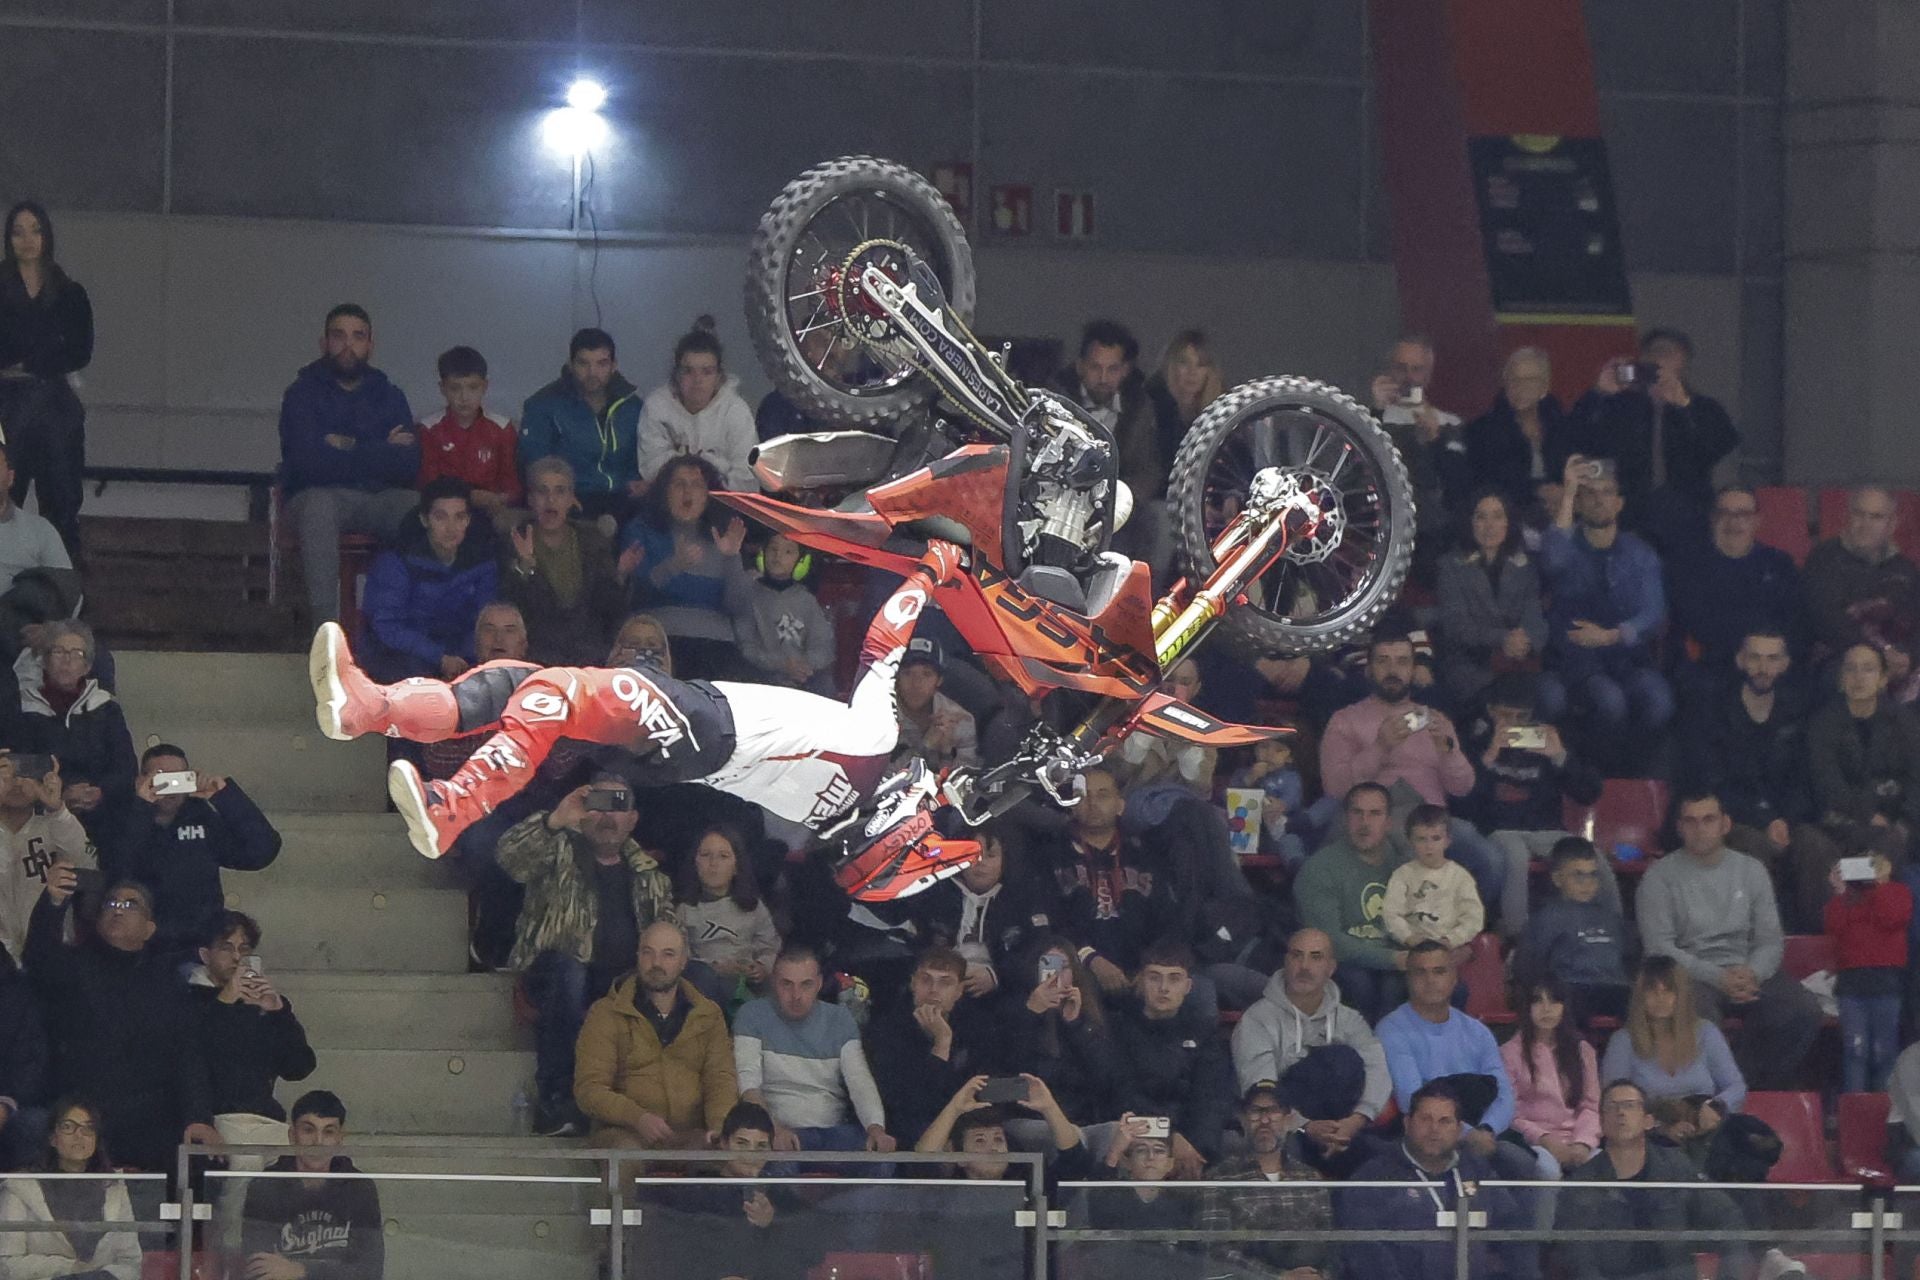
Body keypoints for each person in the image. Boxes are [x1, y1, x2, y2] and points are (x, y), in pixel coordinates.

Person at [313, 541, 978, 901]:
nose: (922, 792)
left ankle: (453, 805)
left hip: (706, 722)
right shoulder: (826, 820)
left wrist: (930, 573)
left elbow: (881, 648)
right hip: (698, 752)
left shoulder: (874, 740)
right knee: (526, 685)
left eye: (924, 810)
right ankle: (369, 707)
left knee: (551, 692)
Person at [496, 774, 676, 1136]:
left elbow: (668, 932)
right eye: (598, 805)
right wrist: (554, 820)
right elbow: (508, 860)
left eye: (618, 806)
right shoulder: (557, 849)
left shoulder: (650, 874)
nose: (608, 817)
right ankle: (557, 1099)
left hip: (625, 978)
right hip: (553, 970)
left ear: (633, 819)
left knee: (687, 978)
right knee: (570, 971)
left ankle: (661, 1104)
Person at [24, 873, 218, 1171]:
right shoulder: (74, 966)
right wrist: (53, 902)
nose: (118, 909)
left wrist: (198, 1117)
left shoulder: (166, 983)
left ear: (150, 928)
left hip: (148, 1115)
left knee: (195, 1156)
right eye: (111, 903)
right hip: (85, 1110)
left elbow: (187, 1055)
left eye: (131, 905)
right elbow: (39, 959)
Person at [1637, 790, 1824, 1086]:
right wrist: (1717, 976)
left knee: (1802, 1010)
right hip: (1690, 974)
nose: (1700, 829)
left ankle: (1747, 1087)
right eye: (1691, 821)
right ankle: (1711, 1092)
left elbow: (1770, 938)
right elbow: (1659, 948)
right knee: (1695, 1014)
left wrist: (1752, 972)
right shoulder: (1659, 877)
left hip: (1748, 969)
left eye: (1708, 820)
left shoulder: (1752, 870)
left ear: (1725, 824)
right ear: (1679, 828)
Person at [1318, 631, 1500, 904]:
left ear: (1414, 670)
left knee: (1490, 860)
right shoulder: (1345, 720)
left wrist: (1447, 752)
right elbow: (1335, 787)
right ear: (1369, 670)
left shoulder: (1435, 719)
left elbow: (1463, 787)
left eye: (1402, 662)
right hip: (1378, 820)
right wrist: (1380, 746)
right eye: (1384, 661)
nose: (1393, 670)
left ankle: (1462, 932)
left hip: (1432, 819)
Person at [278, 303, 419, 626]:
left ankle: (402, 630)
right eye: (338, 335)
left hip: (379, 498)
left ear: (370, 345)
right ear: (324, 343)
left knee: (418, 508)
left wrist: (346, 445)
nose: (348, 345)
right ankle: (325, 636)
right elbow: (308, 464)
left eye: (358, 336)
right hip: (317, 496)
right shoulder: (301, 394)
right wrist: (380, 448)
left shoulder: (389, 394)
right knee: (319, 507)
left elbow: (407, 464)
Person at [1337, 1081, 1536, 1280]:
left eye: (1444, 1121)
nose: (1434, 1129)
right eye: (1425, 1119)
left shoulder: (1478, 1171)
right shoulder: (1374, 1178)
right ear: (1407, 1124)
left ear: (1459, 1130)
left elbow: (1514, 1235)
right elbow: (1364, 1254)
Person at [1537, 456, 1672, 748]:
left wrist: (1613, 635)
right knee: (1608, 702)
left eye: (1607, 492)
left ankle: (1629, 771)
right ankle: (1583, 771)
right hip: (1572, 661)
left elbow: (1653, 611)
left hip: (1627, 660)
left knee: (1660, 702)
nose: (1599, 500)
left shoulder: (1640, 553)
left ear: (1620, 503)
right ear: (1580, 504)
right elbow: (1551, 559)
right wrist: (1570, 492)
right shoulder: (1567, 546)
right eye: (1590, 494)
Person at [1560, 1079, 1750, 1280]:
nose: (1620, 1113)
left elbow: (1728, 1216)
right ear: (1601, 1122)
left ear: (1648, 1121)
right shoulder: (1583, 1183)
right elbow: (1578, 1258)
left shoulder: (1676, 1168)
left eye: (1630, 1106)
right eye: (1611, 1106)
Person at [110, 744, 281, 966]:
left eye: (178, 777)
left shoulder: (200, 816)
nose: (170, 786)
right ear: (140, 781)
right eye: (160, 777)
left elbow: (262, 851)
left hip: (201, 948)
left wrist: (223, 796)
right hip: (143, 951)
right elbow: (118, 866)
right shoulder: (122, 816)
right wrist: (142, 807)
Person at [573, 920, 739, 1148]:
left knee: (721, 1154)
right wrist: (637, 1117)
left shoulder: (709, 1015)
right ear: (638, 956)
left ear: (683, 962)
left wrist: (719, 1128)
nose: (656, 963)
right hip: (624, 1132)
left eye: (668, 954)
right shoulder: (605, 1012)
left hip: (690, 1133)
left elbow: (720, 1080)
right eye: (648, 953)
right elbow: (589, 1089)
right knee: (624, 1154)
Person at [1466, 672, 1609, 933]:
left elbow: (1589, 793)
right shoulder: (1476, 740)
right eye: (1505, 715)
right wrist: (1489, 756)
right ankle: (1517, 938)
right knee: (1515, 853)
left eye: (1522, 717)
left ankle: (1609, 933)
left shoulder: (1545, 738)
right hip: (1499, 831)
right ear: (1490, 711)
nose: (1513, 724)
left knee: (1590, 855)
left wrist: (1560, 757)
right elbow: (1465, 801)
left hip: (1546, 830)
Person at [1572, 328, 1739, 546]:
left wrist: (1685, 406)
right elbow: (1577, 438)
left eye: (1669, 353)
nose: (1660, 359)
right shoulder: (1618, 405)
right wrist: (1599, 393)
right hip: (1628, 516)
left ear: (1684, 361)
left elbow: (1720, 445)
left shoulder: (1702, 406)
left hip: (1686, 517)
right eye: (1653, 352)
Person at [1374, 941, 1522, 1175]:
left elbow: (1504, 1094)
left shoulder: (1478, 1031)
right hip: (1426, 1138)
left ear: (1455, 978)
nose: (1430, 980)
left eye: (1439, 971)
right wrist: (1468, 1135)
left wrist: (1486, 1129)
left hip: (1483, 1134)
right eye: (1420, 972)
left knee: (1533, 1165)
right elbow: (1410, 1099)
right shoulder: (1391, 1030)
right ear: (1408, 979)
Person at [1679, 628, 1816, 881]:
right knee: (1752, 846)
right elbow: (1711, 781)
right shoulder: (1714, 708)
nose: (1763, 667)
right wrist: (1766, 820)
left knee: (1813, 844)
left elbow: (1804, 778)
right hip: (1731, 816)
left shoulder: (1798, 711)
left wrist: (1786, 820)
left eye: (1773, 658)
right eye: (1755, 658)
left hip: (1785, 818)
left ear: (1785, 664)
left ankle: (1819, 922)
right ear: (1740, 660)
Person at [1231, 927, 1391, 1138]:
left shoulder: (1349, 1019)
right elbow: (1260, 1090)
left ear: (1331, 967)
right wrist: (1305, 1126)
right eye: (1297, 956)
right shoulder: (1257, 1019)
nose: (1304, 966)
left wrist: (1358, 1119)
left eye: (1316, 958)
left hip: (1344, 1127)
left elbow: (1377, 1067)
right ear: (1286, 961)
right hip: (1284, 1128)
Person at [733, 945, 893, 1154]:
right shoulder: (752, 1014)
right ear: (774, 983)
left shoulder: (840, 1019)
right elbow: (748, 1086)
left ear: (818, 984)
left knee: (880, 1162)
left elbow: (860, 1082)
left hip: (834, 1133)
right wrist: (774, 1130)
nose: (796, 995)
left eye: (806, 985)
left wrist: (876, 1130)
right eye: (786, 984)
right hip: (776, 1133)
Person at [0, 203, 93, 559]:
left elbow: (80, 349)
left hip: (53, 406)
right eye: (18, 231)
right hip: (8, 408)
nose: (27, 240)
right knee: (7, 506)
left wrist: (33, 360)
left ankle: (62, 595)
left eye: (35, 230)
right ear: (8, 239)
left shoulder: (69, 293)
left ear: (47, 236)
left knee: (61, 508)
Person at [1801, 643, 1920, 921]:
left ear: (1882, 679)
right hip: (1837, 822)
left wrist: (1904, 823)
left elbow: (1917, 779)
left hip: (1890, 823)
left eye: (1868, 669)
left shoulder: (1905, 723)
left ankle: (1879, 933)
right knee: (1809, 843)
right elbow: (1825, 782)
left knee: (1894, 840)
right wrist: (1867, 814)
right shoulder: (1822, 723)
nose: (1859, 677)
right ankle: (1827, 931)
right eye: (1851, 669)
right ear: (1841, 679)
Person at [1039, 766, 1178, 1000]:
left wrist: (1148, 967)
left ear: (1120, 805)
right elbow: (1047, 922)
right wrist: (1090, 958)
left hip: (1141, 968)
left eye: (1102, 795)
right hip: (1077, 966)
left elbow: (1167, 920)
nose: (1093, 803)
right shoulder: (1050, 856)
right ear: (1071, 805)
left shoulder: (1146, 855)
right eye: (1083, 796)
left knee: (1200, 992)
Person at [189, 910, 317, 1148]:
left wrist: (279, 1012)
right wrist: (224, 1003)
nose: (237, 957)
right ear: (205, 955)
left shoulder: (266, 1006)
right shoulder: (188, 1001)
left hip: (266, 1119)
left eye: (244, 949)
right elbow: (192, 1055)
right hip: (213, 1122)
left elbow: (299, 1067)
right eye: (227, 948)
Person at [617, 454, 750, 680]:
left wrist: (731, 557)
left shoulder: (723, 534)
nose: (687, 493)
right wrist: (674, 566)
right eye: (679, 484)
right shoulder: (642, 530)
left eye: (697, 485)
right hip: (659, 642)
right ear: (664, 492)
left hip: (716, 647)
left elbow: (738, 607)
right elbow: (633, 597)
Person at [630, 1101, 794, 1280]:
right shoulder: (694, 1190)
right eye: (742, 1143)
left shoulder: (778, 1194)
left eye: (761, 1146)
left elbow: (803, 1255)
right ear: (723, 1143)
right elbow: (673, 1253)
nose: (751, 1155)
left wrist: (771, 1223)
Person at [357, 478, 499, 683]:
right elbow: (387, 626)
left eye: (459, 517)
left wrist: (462, 659)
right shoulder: (396, 560)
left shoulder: (482, 561)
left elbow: (483, 618)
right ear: (424, 519)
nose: (451, 527)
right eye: (441, 517)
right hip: (399, 659)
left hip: (459, 657)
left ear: (468, 520)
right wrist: (438, 657)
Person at [1109, 942, 1233, 1175]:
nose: (1164, 988)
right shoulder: (1117, 1029)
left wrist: (1196, 1145)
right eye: (1154, 978)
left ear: (1188, 986)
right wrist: (1169, 1135)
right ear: (1140, 982)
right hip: (1135, 1136)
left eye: (1174, 979)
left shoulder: (1204, 1032)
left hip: (1192, 1143)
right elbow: (1121, 1092)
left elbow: (1211, 1097)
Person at [1293, 783, 1410, 1021]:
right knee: (1360, 982)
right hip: (1347, 965)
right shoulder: (1319, 869)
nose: (1365, 823)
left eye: (1375, 814)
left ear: (1389, 822)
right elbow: (1328, 942)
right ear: (1346, 818)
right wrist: (1393, 959)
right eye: (1357, 813)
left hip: (1397, 961)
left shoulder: (1405, 864)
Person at [1197, 1082, 1336, 1280]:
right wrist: (1279, 1277)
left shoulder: (1311, 1178)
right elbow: (1214, 1250)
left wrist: (1321, 1277)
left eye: (1273, 1111)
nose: (1264, 1120)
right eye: (1255, 1111)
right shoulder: (1220, 1178)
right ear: (1243, 1120)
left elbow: (1332, 1244)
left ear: (1288, 1120)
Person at [1667, 486, 1805, 686]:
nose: (1734, 522)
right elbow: (1696, 622)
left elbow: (1794, 617)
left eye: (1743, 514)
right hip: (1712, 662)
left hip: (1770, 662)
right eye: (1725, 513)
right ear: (1713, 519)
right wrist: (1748, 652)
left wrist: (1764, 656)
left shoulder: (1779, 564)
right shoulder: (1690, 565)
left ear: (1757, 521)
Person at [240, 1090, 384, 1279]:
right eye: (308, 1130)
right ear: (292, 1135)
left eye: (329, 1131)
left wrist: (300, 1271)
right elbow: (259, 1268)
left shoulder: (359, 1188)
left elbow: (369, 1270)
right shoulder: (266, 1185)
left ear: (340, 1137)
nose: (318, 1141)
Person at [500, 456, 628, 666]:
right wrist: (525, 567)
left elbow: (610, 608)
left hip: (590, 656)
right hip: (536, 656)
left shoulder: (593, 540)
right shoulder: (513, 540)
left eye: (560, 491)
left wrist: (620, 575)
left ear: (571, 499)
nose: (551, 500)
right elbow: (511, 607)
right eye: (542, 491)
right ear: (531, 499)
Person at [905, 825, 1055, 1002]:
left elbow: (1039, 948)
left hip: (1003, 992)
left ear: (1005, 860)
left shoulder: (1023, 900)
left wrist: (996, 975)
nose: (981, 862)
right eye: (973, 854)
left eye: (991, 855)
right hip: (939, 987)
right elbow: (915, 942)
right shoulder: (933, 894)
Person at [0, 1096, 140, 1280]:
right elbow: (6, 1264)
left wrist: (102, 1277)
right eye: (68, 1126)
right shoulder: (20, 1186)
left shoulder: (114, 1186)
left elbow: (131, 1263)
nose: (79, 1135)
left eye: (88, 1128)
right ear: (53, 1138)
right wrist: (69, 1271)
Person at [18, 620, 133, 840]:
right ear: (44, 661)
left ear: (87, 666)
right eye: (58, 651)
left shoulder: (106, 708)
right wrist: (62, 793)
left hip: (102, 815)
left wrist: (100, 792)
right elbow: (21, 768)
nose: (67, 660)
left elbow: (126, 768)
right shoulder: (25, 709)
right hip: (41, 817)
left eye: (76, 653)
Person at [1435, 488, 1548, 709]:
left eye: (1498, 516)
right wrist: (1502, 639)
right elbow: (1456, 626)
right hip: (1471, 665)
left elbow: (1535, 620)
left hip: (1518, 664)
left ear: (1509, 522)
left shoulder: (1524, 565)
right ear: (1470, 522)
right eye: (1481, 517)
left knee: (1545, 696)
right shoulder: (1450, 566)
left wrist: (1524, 642)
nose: (1490, 526)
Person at [988, 937, 1118, 1126]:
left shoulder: (1089, 1011)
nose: (1055, 975)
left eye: (1064, 967)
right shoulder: (1010, 1010)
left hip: (1078, 1119)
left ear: (1074, 973)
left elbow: (1105, 1078)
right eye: (1047, 965)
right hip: (1027, 1116)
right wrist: (1030, 1014)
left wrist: (1076, 1025)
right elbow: (1008, 1069)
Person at [519, 327, 643, 522]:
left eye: (601, 364)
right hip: (573, 499)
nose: (592, 372)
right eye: (583, 363)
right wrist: (560, 496)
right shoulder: (543, 405)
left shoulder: (633, 406)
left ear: (614, 365)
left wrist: (642, 484)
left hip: (625, 497)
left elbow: (644, 456)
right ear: (570, 364)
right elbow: (535, 462)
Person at [862, 948, 982, 1148]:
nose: (934, 989)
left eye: (945, 982)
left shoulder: (975, 1027)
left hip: (962, 1119)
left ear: (959, 991)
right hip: (904, 1128)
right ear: (913, 984)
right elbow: (910, 1103)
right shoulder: (885, 1031)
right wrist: (941, 1043)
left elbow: (979, 1091)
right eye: (926, 980)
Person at [1600, 956, 1746, 1119]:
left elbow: (1736, 1086)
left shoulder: (1707, 1032)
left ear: (1682, 995)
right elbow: (1614, 1098)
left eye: (1668, 990)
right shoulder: (1622, 1041)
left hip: (1703, 1125)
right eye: (1651, 990)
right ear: (1640, 996)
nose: (1660, 998)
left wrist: (1717, 1106)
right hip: (1649, 1129)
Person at [1370, 335, 1469, 567]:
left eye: (1417, 369)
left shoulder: (1450, 424)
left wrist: (1435, 440)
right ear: (1389, 371)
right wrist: (1375, 412)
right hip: (1383, 532)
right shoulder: (1371, 419)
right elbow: (1354, 472)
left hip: (1436, 537)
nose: (1409, 377)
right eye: (1401, 368)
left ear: (1428, 375)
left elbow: (1459, 487)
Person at [1516, 838, 1634, 1022]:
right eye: (1578, 876)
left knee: (1642, 1003)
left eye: (1593, 875)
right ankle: (1576, 1050)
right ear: (1557, 879)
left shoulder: (1610, 916)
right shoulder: (1548, 917)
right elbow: (1530, 963)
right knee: (1569, 1003)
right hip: (1572, 986)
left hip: (1614, 986)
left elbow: (1628, 956)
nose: (1587, 883)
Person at [636, 319, 758, 493]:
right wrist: (714, 466)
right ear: (676, 374)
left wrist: (687, 463)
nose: (697, 380)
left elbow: (747, 480)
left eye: (707, 372)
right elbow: (651, 468)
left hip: (724, 504)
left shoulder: (736, 411)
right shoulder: (656, 406)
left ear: (719, 376)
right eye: (688, 371)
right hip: (669, 505)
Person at [1822, 854, 1911, 1093]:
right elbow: (1835, 926)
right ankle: (1855, 1108)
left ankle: (1883, 1109)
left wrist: (1877, 887)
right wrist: (1841, 891)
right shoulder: (1846, 899)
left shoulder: (1897, 891)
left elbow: (1891, 917)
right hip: (1851, 983)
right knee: (1855, 1050)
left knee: (1884, 1050)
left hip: (1886, 982)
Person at [1803, 484, 1920, 662]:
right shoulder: (1823, 559)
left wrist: (1907, 655)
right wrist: (1881, 654)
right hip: (1840, 662)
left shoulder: (1906, 569)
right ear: (1847, 517)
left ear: (1892, 524)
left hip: (1897, 663)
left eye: (1876, 517)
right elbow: (1827, 622)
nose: (1865, 524)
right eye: (1859, 514)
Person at [1500, 974, 1600, 1178]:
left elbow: (1591, 1106)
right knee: (1548, 1170)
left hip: (1578, 1141)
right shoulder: (1509, 1053)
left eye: (1554, 1001)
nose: (1546, 1009)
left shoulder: (1583, 1050)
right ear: (1526, 1007)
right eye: (1538, 1001)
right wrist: (1544, 1139)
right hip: (1532, 1142)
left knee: (1603, 1167)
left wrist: (1583, 1143)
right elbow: (1510, 1112)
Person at [1463, 346, 1578, 522]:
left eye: (1529, 380)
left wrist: (1565, 492)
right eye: (1513, 380)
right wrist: (1538, 491)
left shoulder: (1562, 426)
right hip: (1509, 521)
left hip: (1562, 516)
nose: (1520, 387)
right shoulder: (1483, 430)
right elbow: (1489, 482)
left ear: (1544, 385)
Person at [675, 824, 780, 1007]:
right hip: (703, 988)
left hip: (748, 986)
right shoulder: (684, 910)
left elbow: (769, 945)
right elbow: (680, 958)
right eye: (706, 855)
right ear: (695, 862)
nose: (713, 864)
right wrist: (715, 968)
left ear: (736, 866)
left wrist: (761, 967)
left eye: (723, 856)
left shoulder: (752, 906)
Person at [413, 345, 521, 519]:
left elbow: (513, 486)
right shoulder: (429, 429)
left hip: (491, 511)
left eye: (473, 387)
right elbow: (428, 485)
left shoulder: (503, 428)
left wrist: (499, 499)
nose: (464, 397)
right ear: (442, 388)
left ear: (485, 386)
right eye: (455, 388)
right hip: (445, 512)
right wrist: (469, 497)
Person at [0, 750, 86, 961]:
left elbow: (82, 856)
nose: (17, 783)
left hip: (50, 950)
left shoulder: (54, 824)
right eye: (5, 775)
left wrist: (56, 808)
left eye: (24, 773)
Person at [729, 532, 835, 694]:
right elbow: (746, 646)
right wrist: (782, 665)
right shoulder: (749, 595)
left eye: (788, 552)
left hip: (804, 683)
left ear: (801, 561)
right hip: (759, 681)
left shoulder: (807, 600)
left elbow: (823, 646)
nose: (778, 556)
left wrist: (803, 666)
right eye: (773, 549)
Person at [1382, 804, 1484, 955]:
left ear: (1447, 840)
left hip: (1448, 949)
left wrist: (1451, 940)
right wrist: (1408, 937)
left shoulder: (1460, 876)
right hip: (1411, 950)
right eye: (1421, 839)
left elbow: (1473, 916)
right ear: (1410, 841)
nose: (1429, 846)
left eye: (1436, 838)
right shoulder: (1402, 875)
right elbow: (1390, 913)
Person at [0, 435, 74, 612]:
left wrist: (50, 628)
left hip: (21, 627)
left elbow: (67, 589)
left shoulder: (41, 531)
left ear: (10, 477)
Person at [891, 636, 981, 773]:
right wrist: (926, 746)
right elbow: (882, 778)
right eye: (907, 673)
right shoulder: (882, 715)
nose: (916, 684)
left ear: (939, 680)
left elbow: (966, 780)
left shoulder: (960, 720)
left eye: (927, 674)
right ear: (896, 678)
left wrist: (946, 753)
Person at [1144, 328, 1223, 477]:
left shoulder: (1221, 413)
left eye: (1200, 364)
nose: (1192, 372)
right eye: (1184, 363)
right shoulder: (1150, 407)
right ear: (1171, 366)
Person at [0, 943, 48, 1171]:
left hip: (5, 1103)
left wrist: (5, 1104)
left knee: (35, 1125)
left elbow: (30, 1057)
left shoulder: (15, 987)